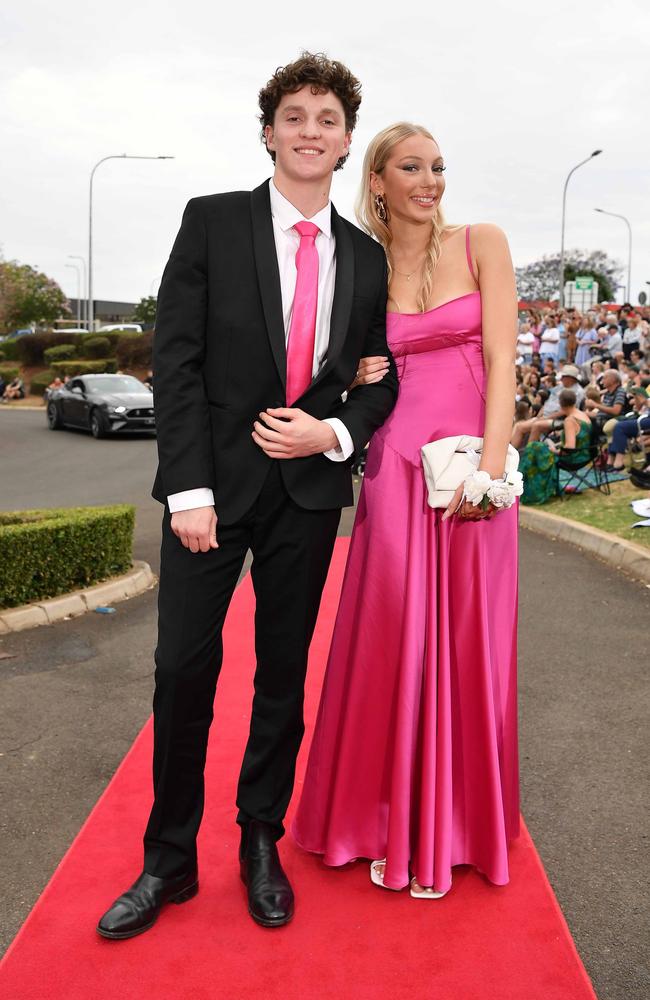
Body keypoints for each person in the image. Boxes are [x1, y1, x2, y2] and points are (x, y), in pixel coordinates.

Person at [97, 52, 398, 940]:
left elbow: (379, 378)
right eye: (295, 115)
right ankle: (168, 861)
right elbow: (176, 361)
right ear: (268, 131)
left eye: (328, 119)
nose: (311, 130)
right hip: (209, 494)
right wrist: (188, 487)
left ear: (347, 144)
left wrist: (334, 432)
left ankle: (260, 840)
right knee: (182, 672)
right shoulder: (213, 223)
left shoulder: (367, 258)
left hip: (306, 493)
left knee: (282, 675)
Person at [293, 122, 520, 898]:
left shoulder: (483, 242)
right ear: (379, 181)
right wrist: (354, 376)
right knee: (393, 638)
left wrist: (490, 472)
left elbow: (500, 360)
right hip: (393, 467)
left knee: (468, 641)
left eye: (438, 167)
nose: (430, 180)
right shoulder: (362, 261)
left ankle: (453, 827)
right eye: (412, 168)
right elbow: (343, 367)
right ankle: (383, 819)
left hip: (468, 471)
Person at [519, 389, 592, 504]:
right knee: (537, 447)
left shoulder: (570, 421)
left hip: (572, 459)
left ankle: (526, 487)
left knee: (533, 448)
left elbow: (570, 448)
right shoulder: (582, 415)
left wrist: (554, 450)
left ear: (560, 403)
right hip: (585, 454)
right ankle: (524, 482)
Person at [606, 387, 650, 471]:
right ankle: (610, 460)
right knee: (612, 426)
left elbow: (645, 402)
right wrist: (637, 398)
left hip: (647, 419)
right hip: (641, 417)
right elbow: (638, 408)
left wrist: (645, 401)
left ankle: (618, 462)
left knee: (620, 427)